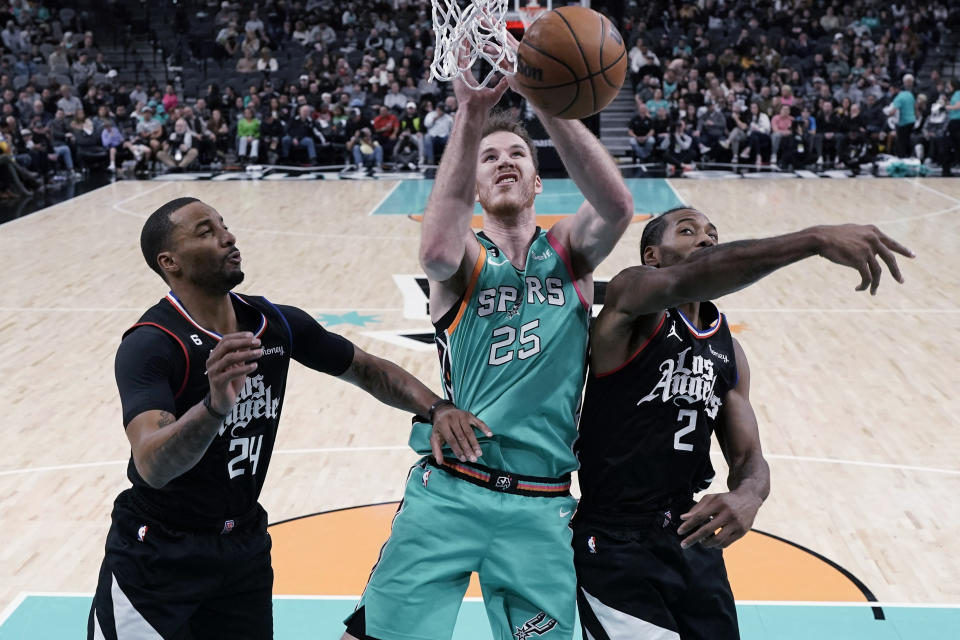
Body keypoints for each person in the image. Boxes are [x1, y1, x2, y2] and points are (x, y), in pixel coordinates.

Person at [342, 33, 634, 640]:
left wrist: (545, 97)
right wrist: (470, 113)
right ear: (474, 188)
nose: (504, 161)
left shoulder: (569, 254)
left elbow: (616, 207)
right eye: (489, 157)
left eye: (517, 156)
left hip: (541, 501)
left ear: (536, 182)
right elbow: (436, 248)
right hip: (450, 492)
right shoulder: (465, 261)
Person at [88, 197, 487, 640]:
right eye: (205, 231)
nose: (228, 236)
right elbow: (152, 465)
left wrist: (437, 407)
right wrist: (215, 406)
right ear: (171, 262)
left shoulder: (273, 322)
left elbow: (367, 369)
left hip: (242, 549)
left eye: (223, 224)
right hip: (157, 557)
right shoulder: (153, 344)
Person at [573, 207, 914, 639]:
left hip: (688, 535)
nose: (706, 238)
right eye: (687, 230)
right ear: (652, 255)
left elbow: (750, 458)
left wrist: (748, 496)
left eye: (713, 233)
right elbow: (690, 278)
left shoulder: (728, 351)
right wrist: (813, 239)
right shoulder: (630, 301)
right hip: (614, 542)